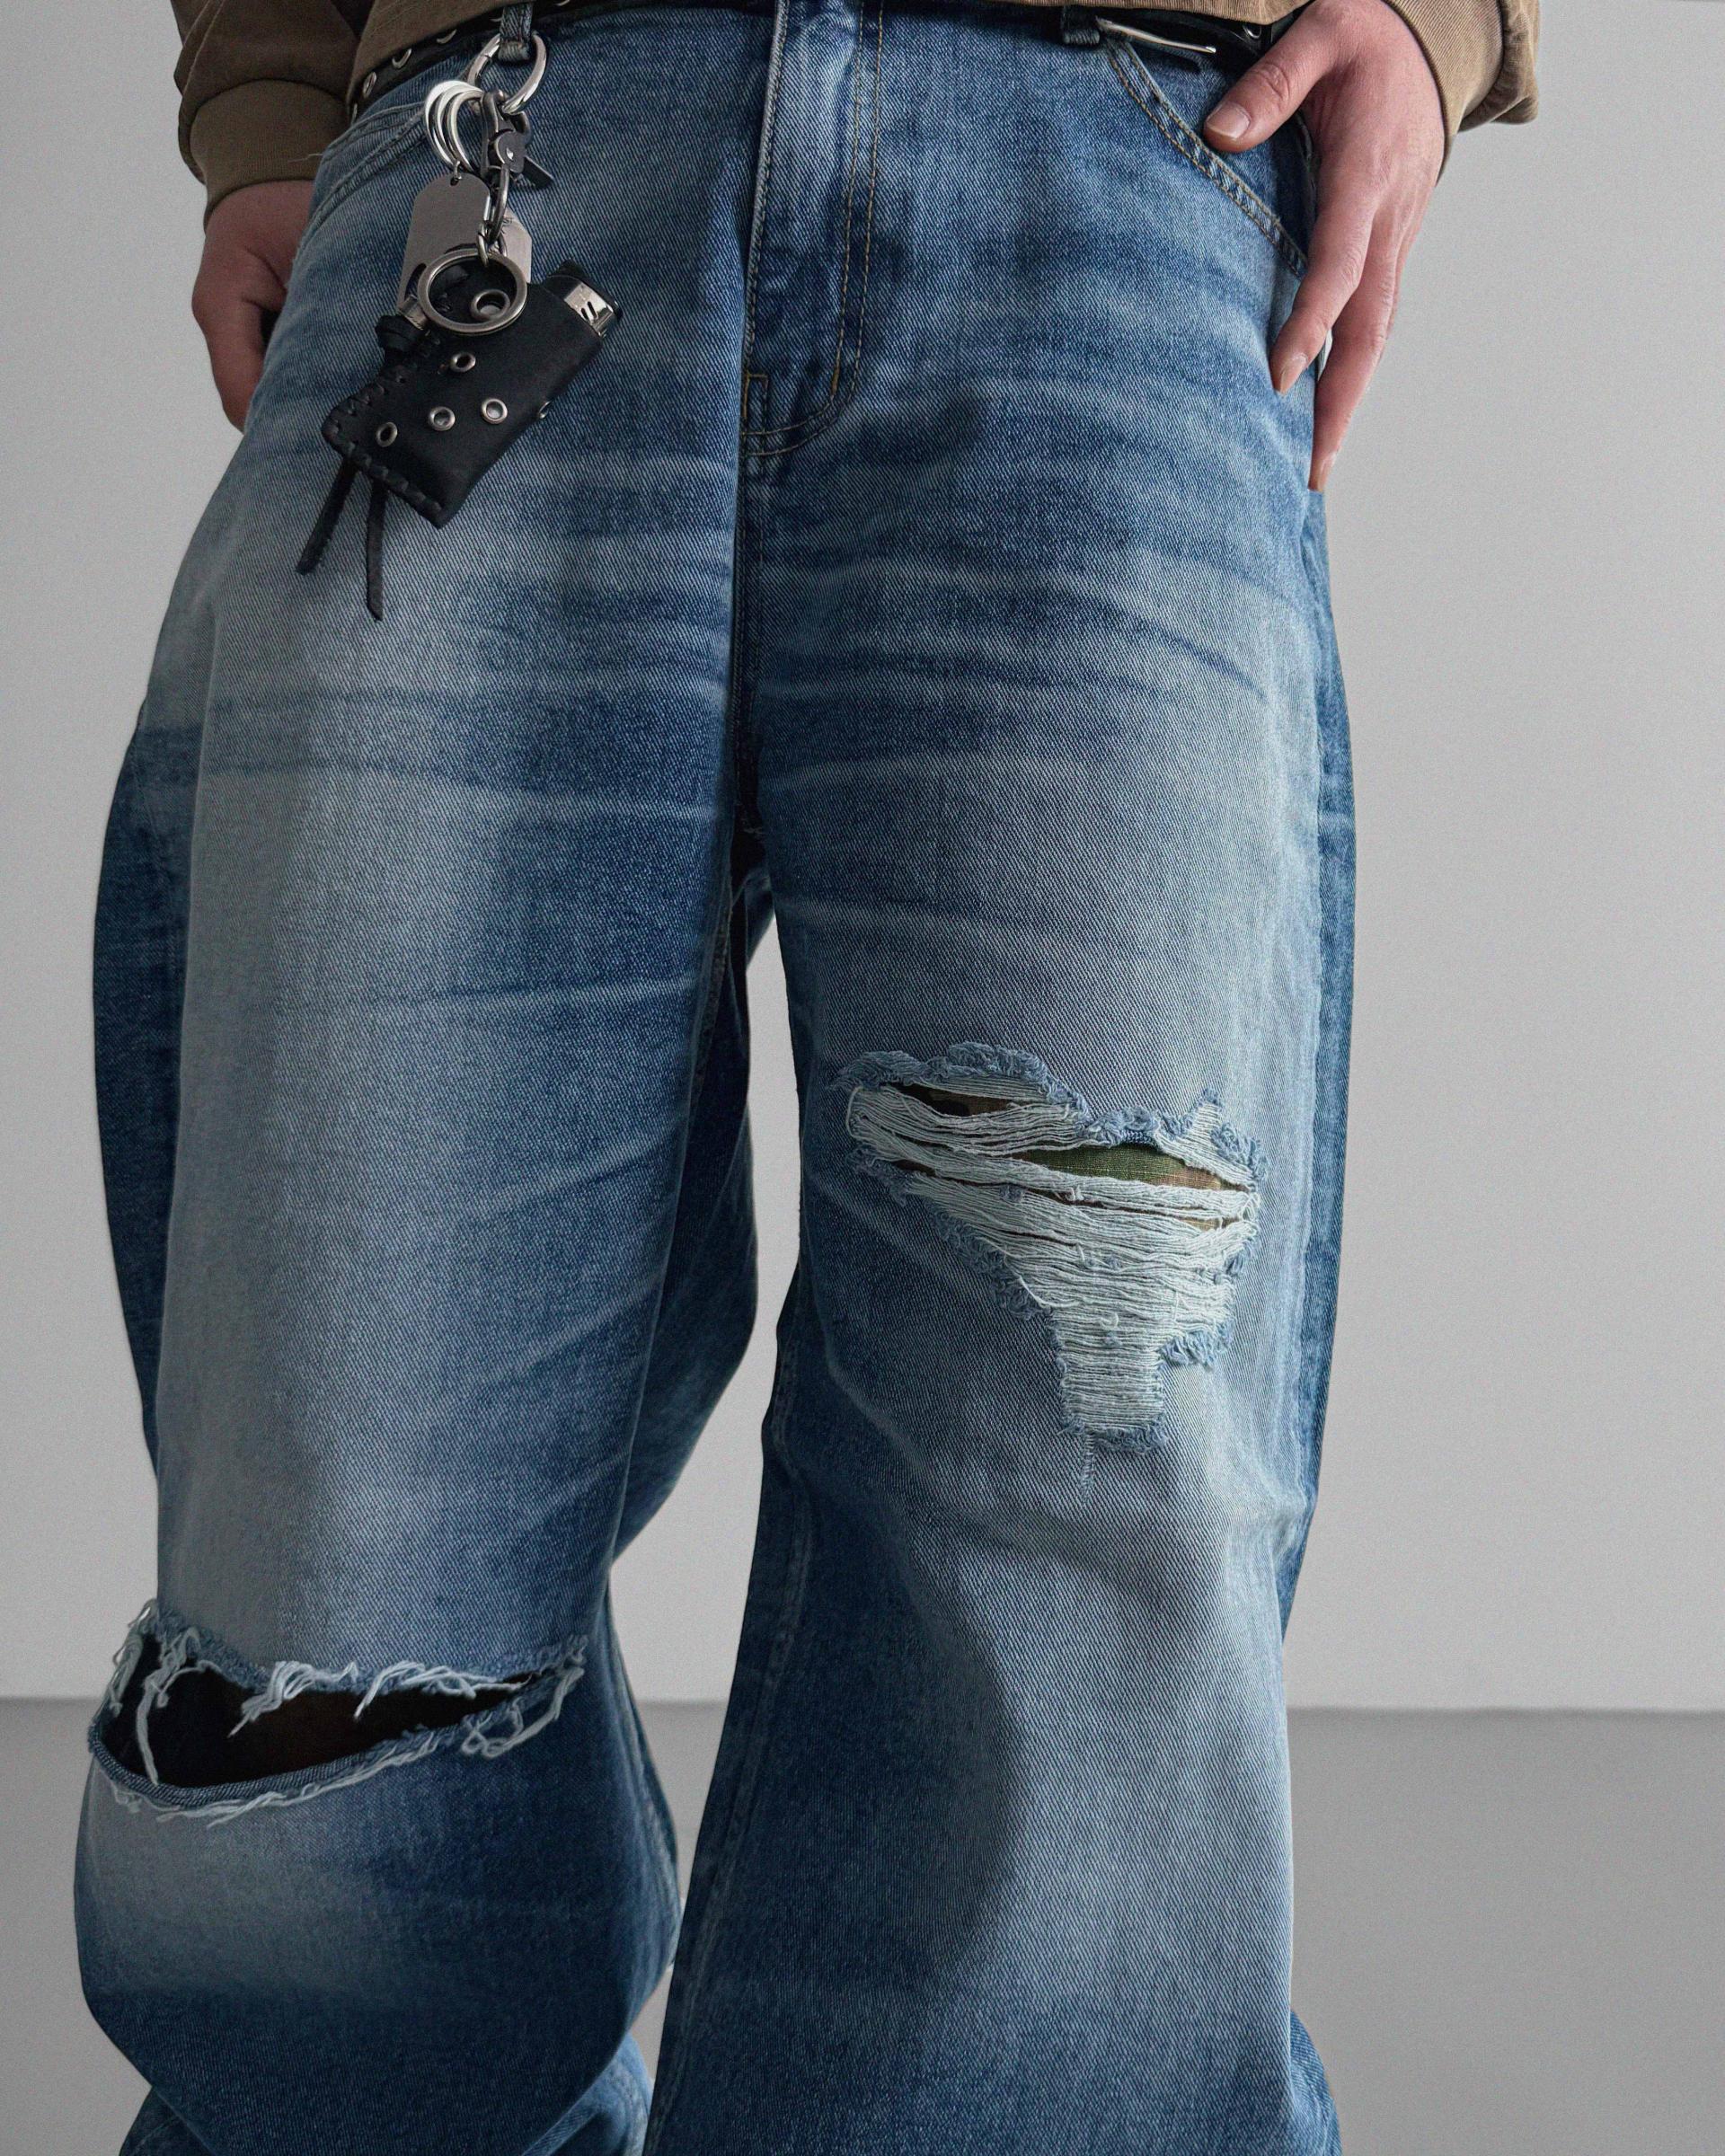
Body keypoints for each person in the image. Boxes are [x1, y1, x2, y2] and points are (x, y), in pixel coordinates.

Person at [77, 3, 1537, 2152]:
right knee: (339, 1476)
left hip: (1126, 155)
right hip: (499, 151)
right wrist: (276, 96)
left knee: (1074, 1466)